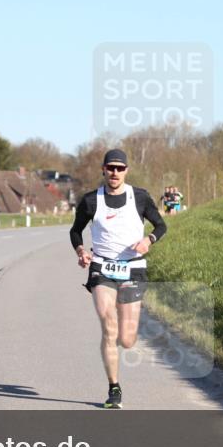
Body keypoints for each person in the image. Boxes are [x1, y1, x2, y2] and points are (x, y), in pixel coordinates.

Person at [70, 149, 167, 408]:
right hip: (102, 267)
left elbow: (161, 226)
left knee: (127, 338)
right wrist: (81, 251)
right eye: (110, 168)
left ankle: (127, 337)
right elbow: (75, 231)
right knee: (108, 324)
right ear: (103, 169)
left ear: (126, 171)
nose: (115, 172)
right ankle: (114, 388)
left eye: (119, 168)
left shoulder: (140, 197)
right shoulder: (92, 201)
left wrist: (149, 240)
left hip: (133, 268)